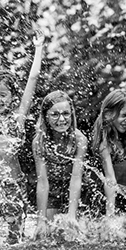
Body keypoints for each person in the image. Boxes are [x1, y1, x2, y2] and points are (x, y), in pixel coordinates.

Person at [0, 30, 44, 245]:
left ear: (12, 96)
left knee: (15, 238)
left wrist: (38, 48)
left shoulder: (17, 119)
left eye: (2, 95)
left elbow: (33, 78)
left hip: (12, 184)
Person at [32, 90, 88, 239]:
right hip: (53, 192)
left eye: (66, 113)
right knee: (47, 235)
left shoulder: (79, 139)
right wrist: (41, 220)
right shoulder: (39, 142)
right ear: (45, 116)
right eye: (55, 114)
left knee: (76, 233)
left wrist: (72, 215)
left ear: (72, 114)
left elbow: (76, 178)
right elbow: (42, 182)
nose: (61, 119)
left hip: (78, 193)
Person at [91, 90, 126, 216]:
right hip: (109, 207)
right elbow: (110, 180)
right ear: (107, 114)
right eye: (124, 115)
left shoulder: (124, 140)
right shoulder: (105, 145)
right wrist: (110, 215)